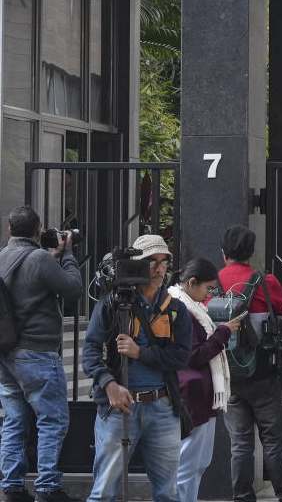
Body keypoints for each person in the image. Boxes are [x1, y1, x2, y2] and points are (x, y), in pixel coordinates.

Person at [82, 234, 192, 502]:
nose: (158, 268)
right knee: (104, 492)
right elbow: (90, 352)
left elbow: (180, 358)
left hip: (163, 408)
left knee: (168, 492)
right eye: (150, 261)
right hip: (119, 407)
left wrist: (139, 352)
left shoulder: (175, 308)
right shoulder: (111, 304)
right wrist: (109, 384)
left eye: (163, 261)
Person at [0, 207, 83, 502]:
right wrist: (68, 254)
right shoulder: (38, 259)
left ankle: (11, 486)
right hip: (37, 353)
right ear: (37, 231)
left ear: (10, 230)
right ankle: (47, 487)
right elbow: (73, 289)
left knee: (13, 420)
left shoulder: (2, 258)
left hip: (6, 354)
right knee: (52, 420)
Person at [218, 225, 282, 502]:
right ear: (251, 252)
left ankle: (242, 496)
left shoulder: (214, 283)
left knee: (239, 443)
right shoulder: (264, 281)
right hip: (263, 372)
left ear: (223, 252)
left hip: (228, 375)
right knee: (274, 441)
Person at [169, 258, 241, 502]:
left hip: (202, 397)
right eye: (208, 288)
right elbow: (193, 355)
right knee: (187, 466)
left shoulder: (191, 307)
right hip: (192, 396)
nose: (210, 294)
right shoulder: (181, 309)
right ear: (191, 283)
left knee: (199, 463)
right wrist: (224, 332)